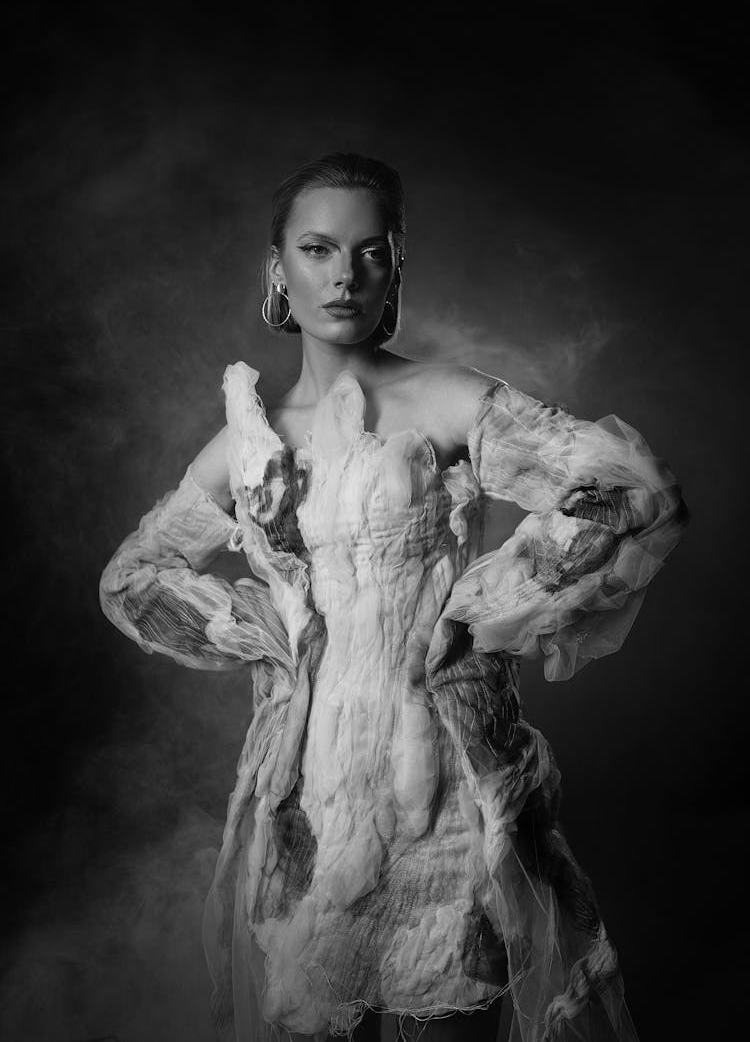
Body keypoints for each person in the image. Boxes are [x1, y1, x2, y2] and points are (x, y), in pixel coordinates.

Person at [99, 153, 688, 1042]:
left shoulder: (443, 398)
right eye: (318, 248)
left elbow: (633, 490)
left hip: (444, 796)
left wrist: (476, 611)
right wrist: (270, 635)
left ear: (396, 261)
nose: (344, 274)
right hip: (309, 807)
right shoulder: (247, 444)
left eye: (370, 251)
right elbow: (132, 578)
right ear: (278, 269)